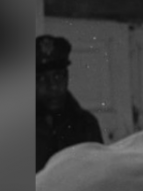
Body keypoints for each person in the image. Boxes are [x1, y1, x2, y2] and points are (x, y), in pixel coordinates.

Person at [36, 34, 103, 171]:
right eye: (42, 79)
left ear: (67, 77)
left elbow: (99, 179)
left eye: (57, 76)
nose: (53, 86)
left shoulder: (86, 125)